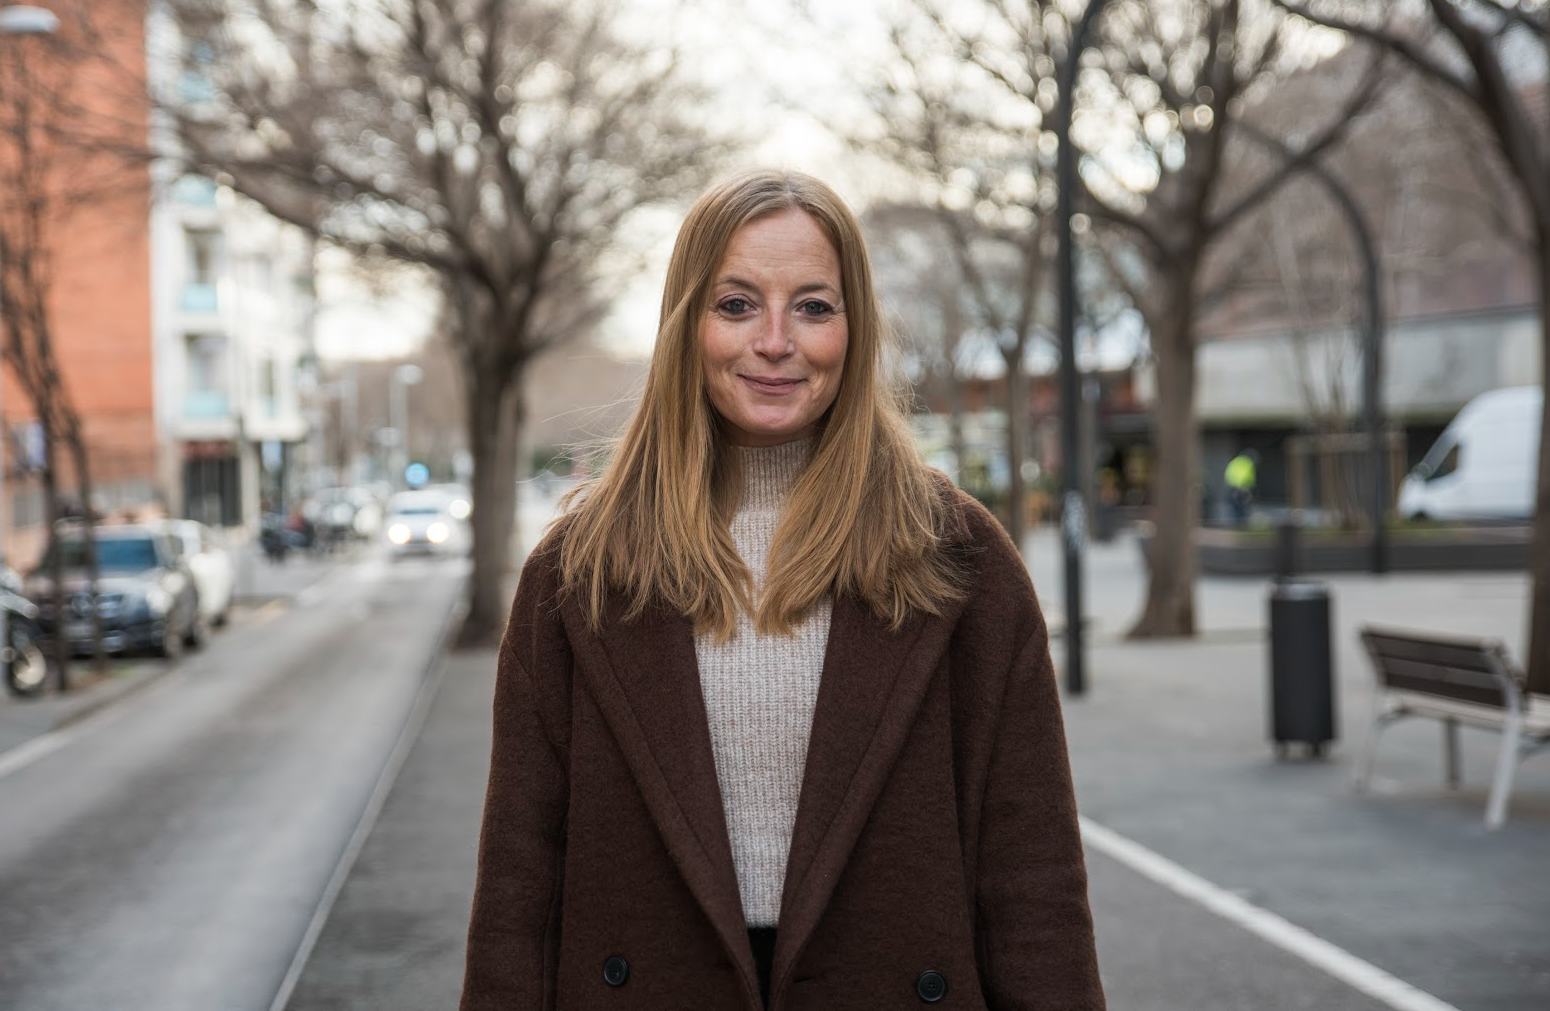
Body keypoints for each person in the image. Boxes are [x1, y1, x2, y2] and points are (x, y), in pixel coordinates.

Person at [461, 169, 1105, 1011]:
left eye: (813, 306)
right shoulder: (576, 572)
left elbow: (1032, 880)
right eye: (736, 305)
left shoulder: (958, 555)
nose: (774, 340)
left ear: (854, 328)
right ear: (685, 324)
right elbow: (519, 893)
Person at [1225, 448, 1258, 525]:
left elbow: (1228, 474)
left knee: (1234, 508)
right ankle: (1242, 524)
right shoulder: (1248, 463)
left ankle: (1235, 524)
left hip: (1232, 488)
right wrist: (1249, 488)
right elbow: (1248, 477)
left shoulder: (1235, 461)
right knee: (1243, 508)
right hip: (1242, 488)